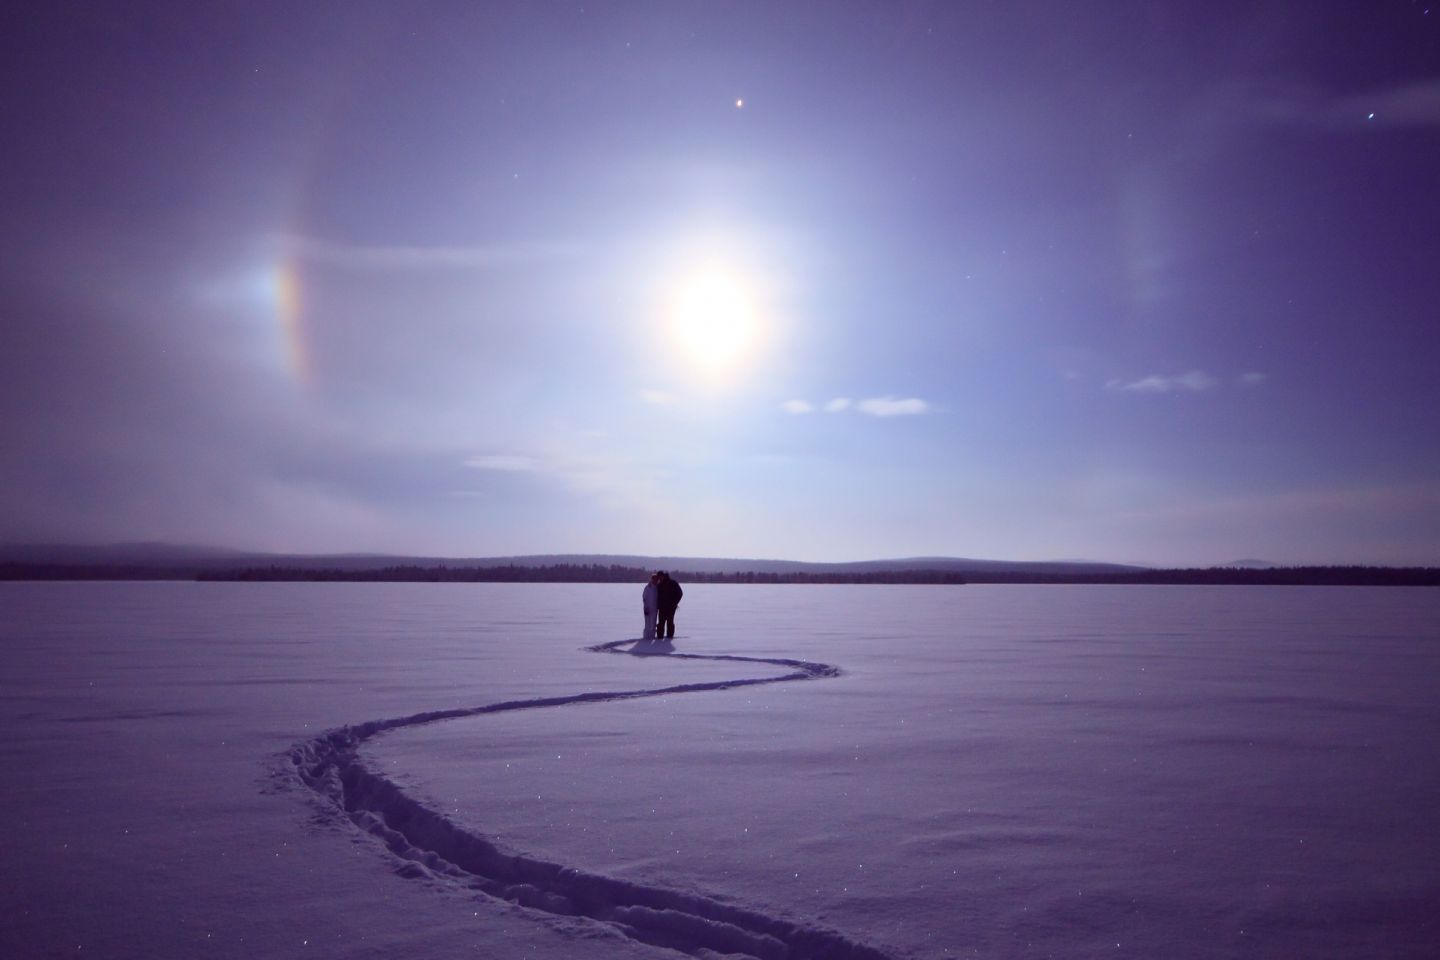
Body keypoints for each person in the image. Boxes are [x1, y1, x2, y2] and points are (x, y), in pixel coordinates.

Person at [655, 570, 683, 641]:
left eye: (660, 577)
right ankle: (659, 638)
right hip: (662, 607)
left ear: (663, 576)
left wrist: (674, 603)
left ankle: (669, 638)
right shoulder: (659, 585)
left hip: (671, 607)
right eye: (658, 577)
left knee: (670, 622)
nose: (659, 578)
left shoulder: (672, 583)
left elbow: (680, 593)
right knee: (661, 623)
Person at [641, 573, 659, 640]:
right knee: (647, 625)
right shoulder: (648, 587)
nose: (655, 580)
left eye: (656, 579)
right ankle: (646, 638)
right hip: (647, 609)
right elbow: (644, 598)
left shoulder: (658, 588)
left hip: (655, 610)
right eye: (654, 579)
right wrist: (645, 607)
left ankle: (652, 638)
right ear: (652, 579)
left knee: (653, 625)